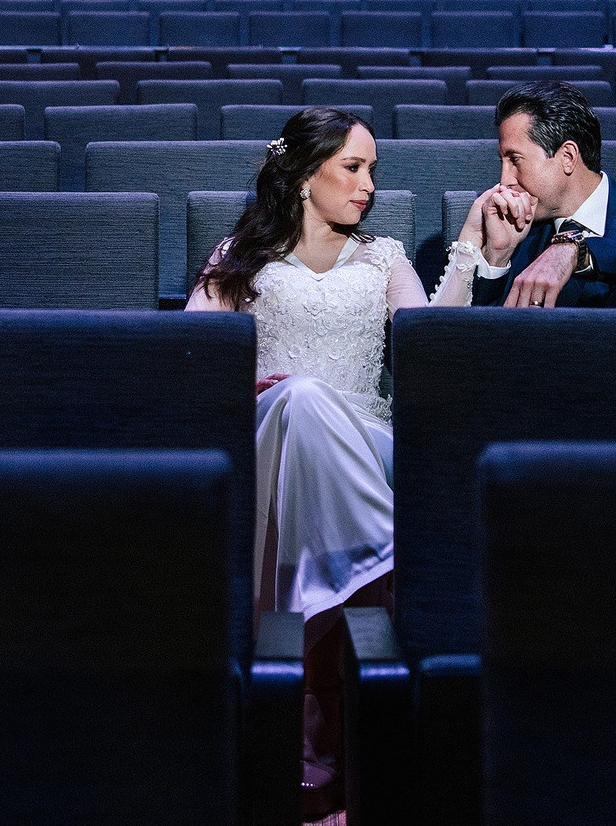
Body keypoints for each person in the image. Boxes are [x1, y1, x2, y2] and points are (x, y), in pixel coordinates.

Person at [186, 105, 475, 815]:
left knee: (316, 405)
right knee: (301, 403)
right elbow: (185, 358)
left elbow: (430, 350)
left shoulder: (385, 258)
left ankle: (314, 715)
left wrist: (468, 249)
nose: (368, 184)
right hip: (273, 442)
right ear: (303, 173)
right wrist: (248, 380)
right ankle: (393, 560)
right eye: (353, 167)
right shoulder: (240, 258)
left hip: (368, 445)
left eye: (373, 169)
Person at [459, 79, 616, 309]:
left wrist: (577, 251)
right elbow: (484, 341)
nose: (504, 181)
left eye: (515, 160)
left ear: (567, 157)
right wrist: (498, 255)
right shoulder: (519, 232)